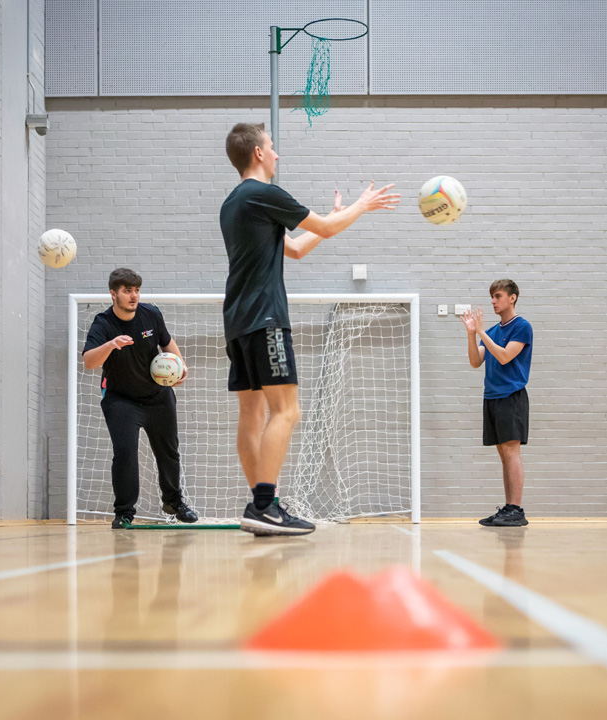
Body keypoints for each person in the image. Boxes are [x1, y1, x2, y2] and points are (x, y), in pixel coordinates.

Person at [220, 122, 399, 536]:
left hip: (237, 320)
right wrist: (360, 206)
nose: (277, 155)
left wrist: (333, 217)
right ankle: (265, 505)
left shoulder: (234, 203)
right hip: (266, 318)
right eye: (272, 147)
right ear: (259, 153)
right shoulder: (264, 193)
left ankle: (262, 505)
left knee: (252, 414)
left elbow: (297, 247)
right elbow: (326, 229)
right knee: (287, 410)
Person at [82, 268, 198, 528]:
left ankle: (173, 501)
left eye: (136, 290)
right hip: (121, 399)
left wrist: (181, 365)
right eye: (127, 291)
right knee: (125, 454)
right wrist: (111, 344)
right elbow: (89, 361)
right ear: (114, 294)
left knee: (168, 452)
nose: (133, 296)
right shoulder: (103, 323)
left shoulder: (151, 314)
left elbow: (167, 343)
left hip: (158, 396)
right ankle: (124, 512)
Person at [462, 280, 533, 527]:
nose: (493, 301)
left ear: (512, 298)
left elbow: (504, 357)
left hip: (511, 396)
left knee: (512, 452)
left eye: (498, 296)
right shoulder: (491, 331)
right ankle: (508, 508)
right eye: (492, 296)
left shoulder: (522, 327)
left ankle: (516, 509)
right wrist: (472, 335)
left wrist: (480, 332)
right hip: (491, 397)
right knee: (504, 455)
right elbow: (474, 361)